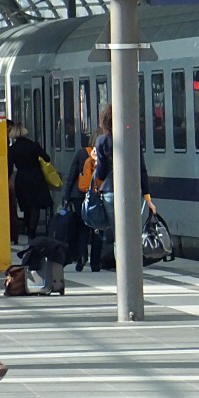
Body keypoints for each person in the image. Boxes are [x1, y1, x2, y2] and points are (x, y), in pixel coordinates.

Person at [92, 104, 156, 269]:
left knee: (117, 234)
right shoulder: (134, 138)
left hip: (110, 192)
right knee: (132, 233)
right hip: (133, 192)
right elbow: (142, 168)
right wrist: (147, 198)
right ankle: (132, 266)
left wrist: (95, 160)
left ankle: (122, 268)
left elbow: (100, 173)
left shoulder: (102, 141)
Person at [8, 121, 54, 244]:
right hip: (36, 177)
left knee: (26, 206)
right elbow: (47, 158)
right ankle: (32, 232)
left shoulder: (12, 149)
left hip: (21, 178)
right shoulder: (34, 145)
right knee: (35, 206)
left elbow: (10, 167)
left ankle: (28, 229)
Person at [63, 133, 98, 272]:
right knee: (97, 228)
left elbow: (72, 174)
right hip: (97, 195)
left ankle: (82, 256)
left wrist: (67, 196)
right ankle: (95, 262)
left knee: (82, 227)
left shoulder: (82, 153)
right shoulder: (106, 152)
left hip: (79, 195)